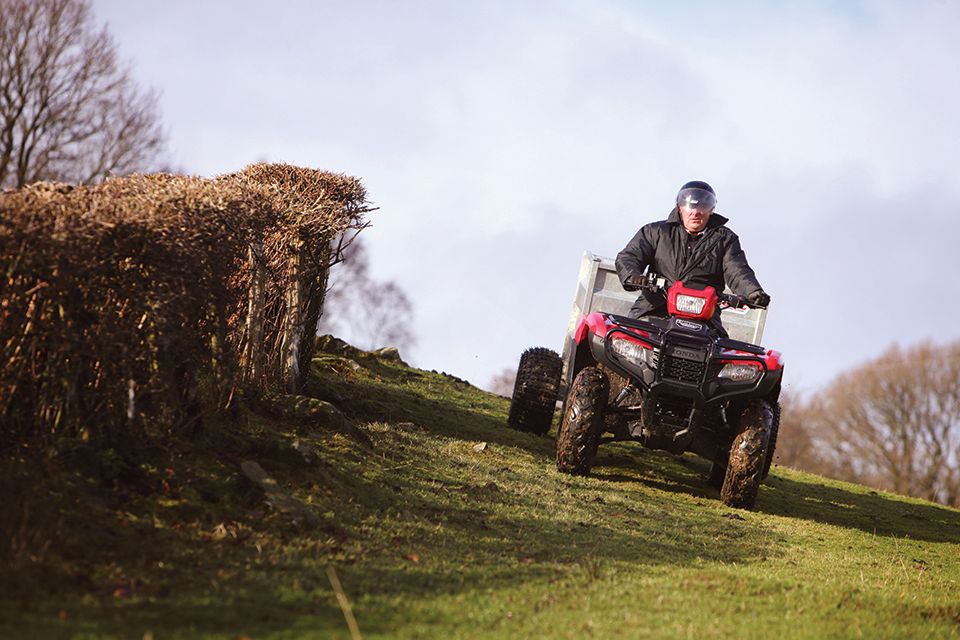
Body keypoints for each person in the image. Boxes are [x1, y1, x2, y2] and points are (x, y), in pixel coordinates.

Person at [615, 180, 769, 335]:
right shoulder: (655, 232)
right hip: (655, 308)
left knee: (720, 346)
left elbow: (737, 270)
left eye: (702, 206)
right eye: (690, 206)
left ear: (711, 209)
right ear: (679, 207)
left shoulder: (724, 239)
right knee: (625, 338)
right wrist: (633, 276)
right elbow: (629, 257)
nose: (695, 212)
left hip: (705, 318)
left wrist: (752, 292)